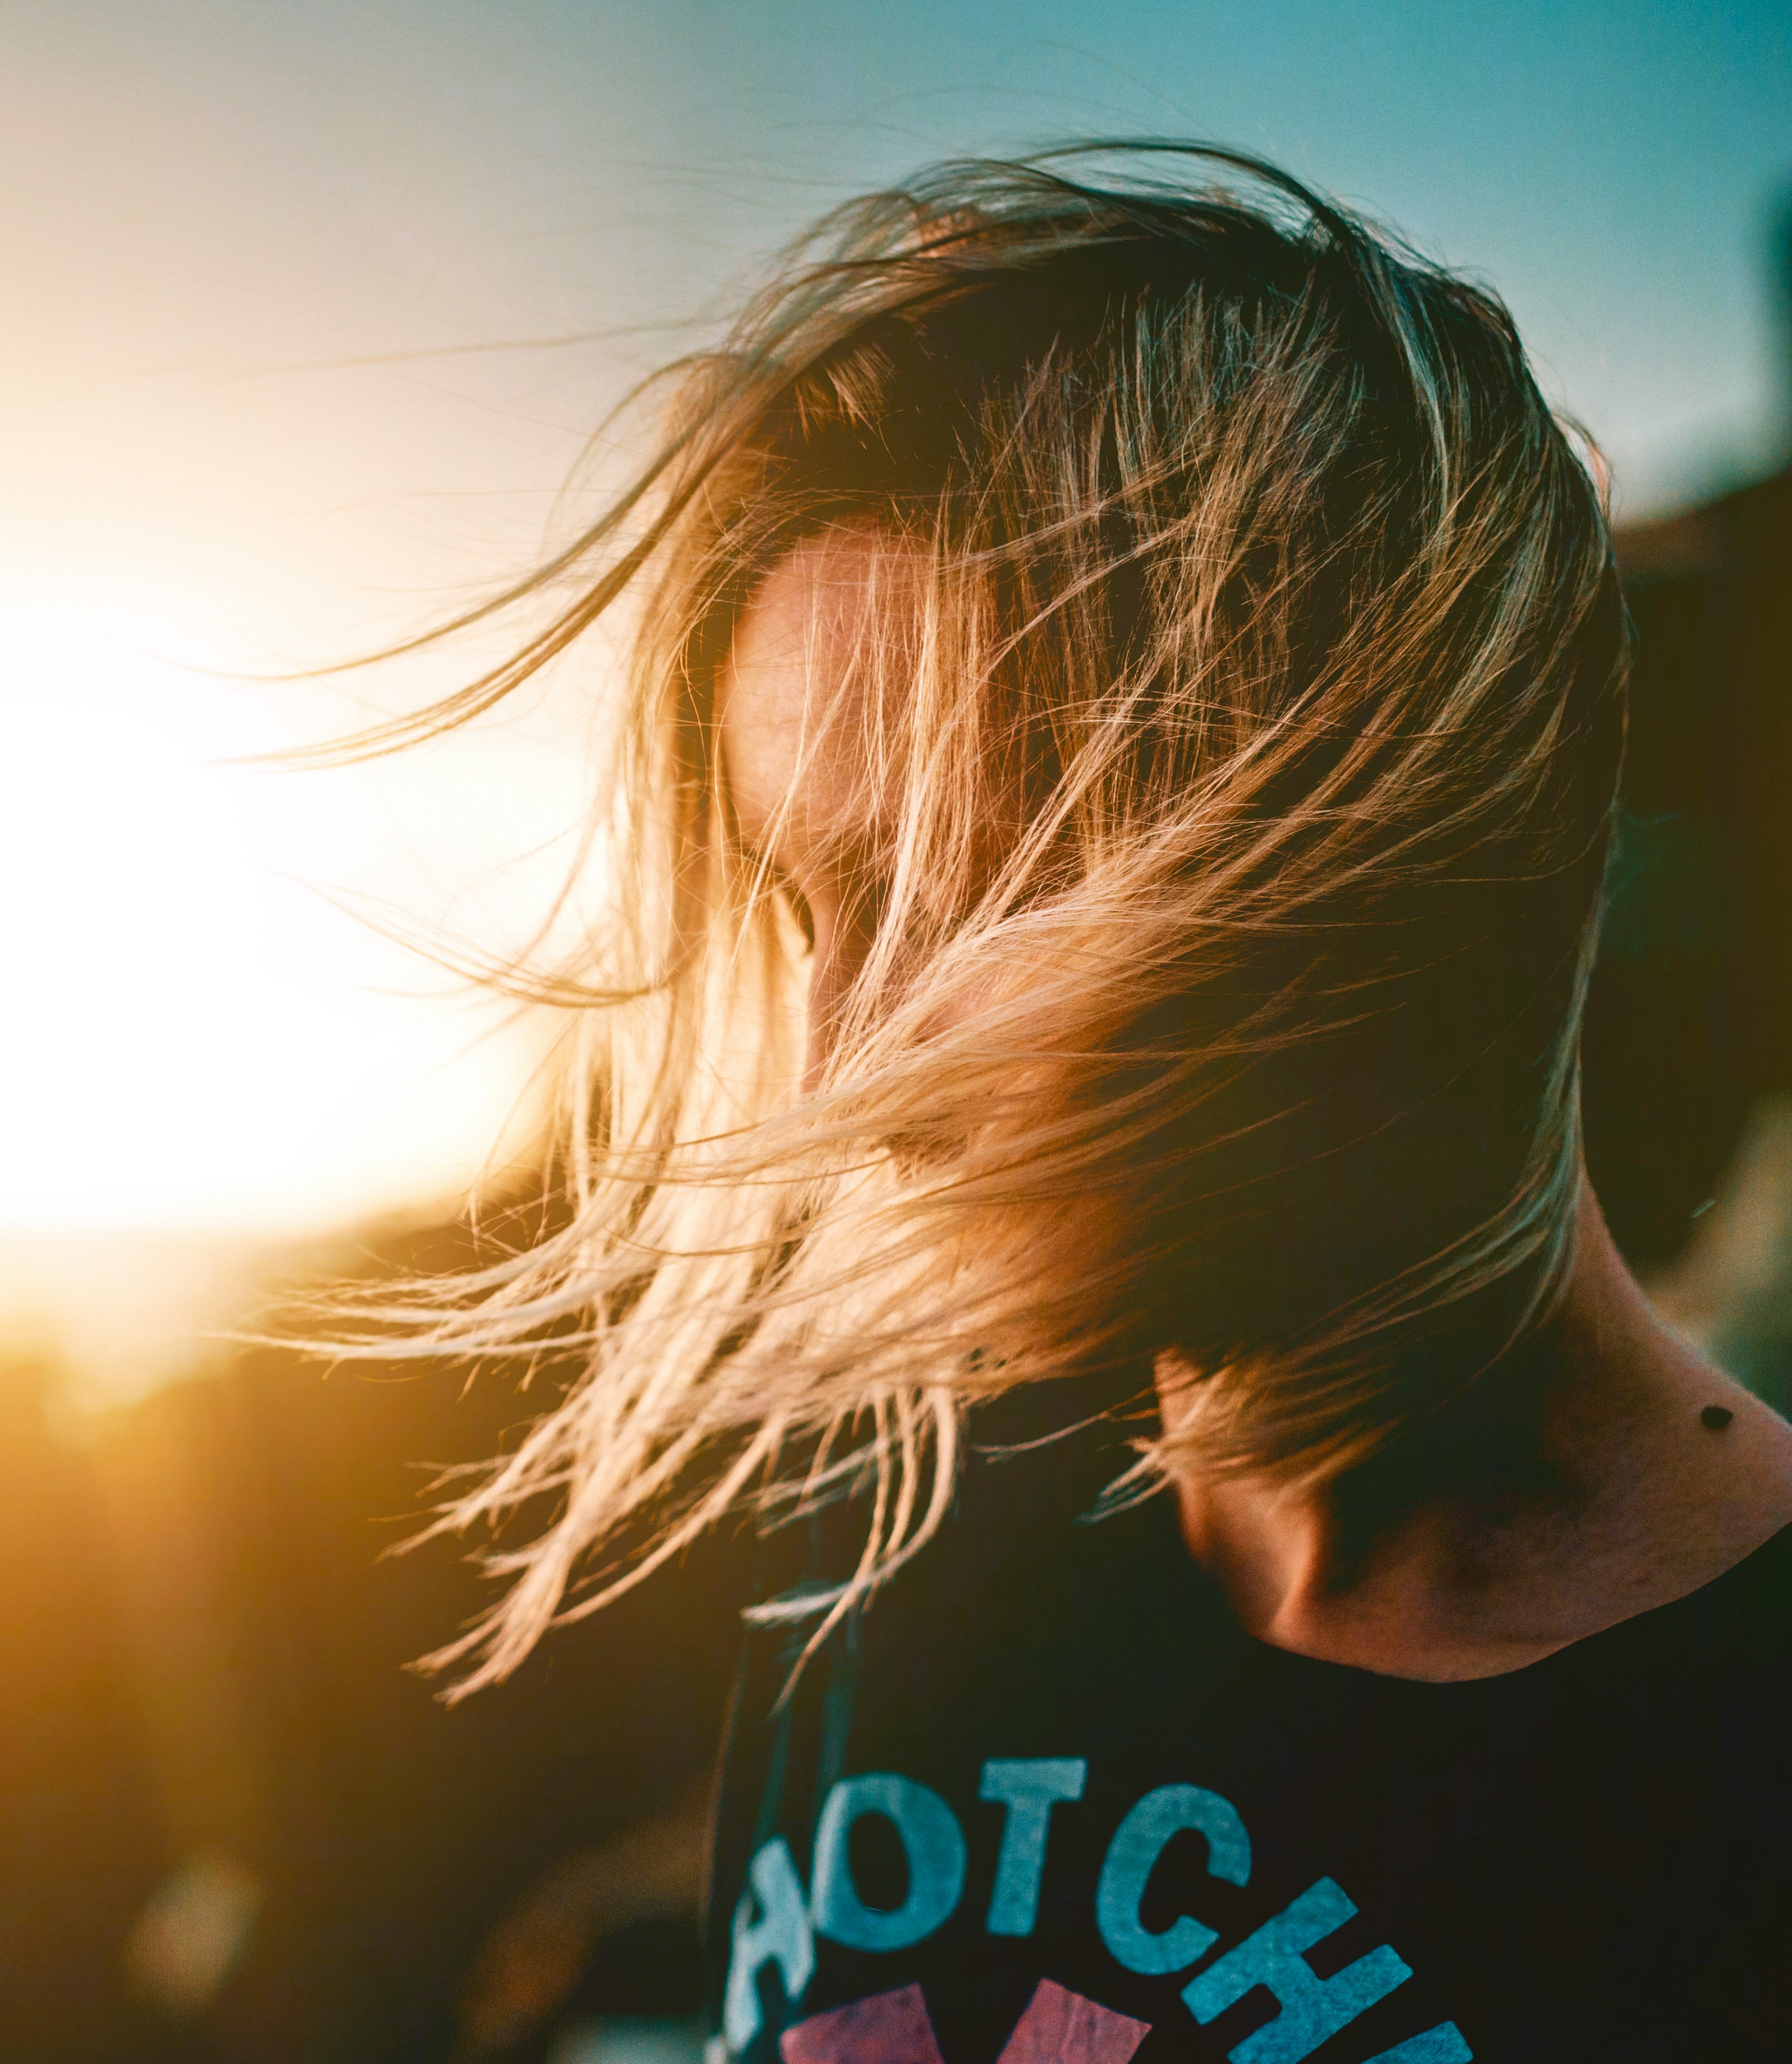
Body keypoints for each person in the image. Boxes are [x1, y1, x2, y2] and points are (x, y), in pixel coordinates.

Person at [343, 145, 1792, 2062]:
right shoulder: (904, 1540)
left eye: (964, 900)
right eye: (813, 906)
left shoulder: (1733, 1776)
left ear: (1372, 852)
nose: (845, 1070)